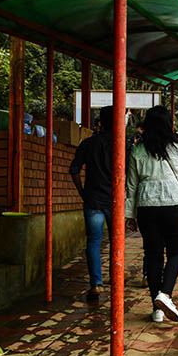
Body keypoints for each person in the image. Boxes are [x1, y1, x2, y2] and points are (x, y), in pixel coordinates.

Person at [125, 106, 178, 323]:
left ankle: (157, 310)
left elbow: (131, 186)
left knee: (153, 255)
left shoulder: (137, 150)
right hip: (173, 204)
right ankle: (165, 294)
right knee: (175, 253)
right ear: (169, 124)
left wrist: (130, 215)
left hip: (146, 206)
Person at [69, 106, 114, 301]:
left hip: (93, 199)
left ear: (100, 123)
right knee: (116, 240)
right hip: (114, 200)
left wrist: (82, 192)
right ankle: (115, 276)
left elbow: (74, 170)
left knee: (94, 241)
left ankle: (96, 284)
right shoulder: (122, 144)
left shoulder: (88, 143)